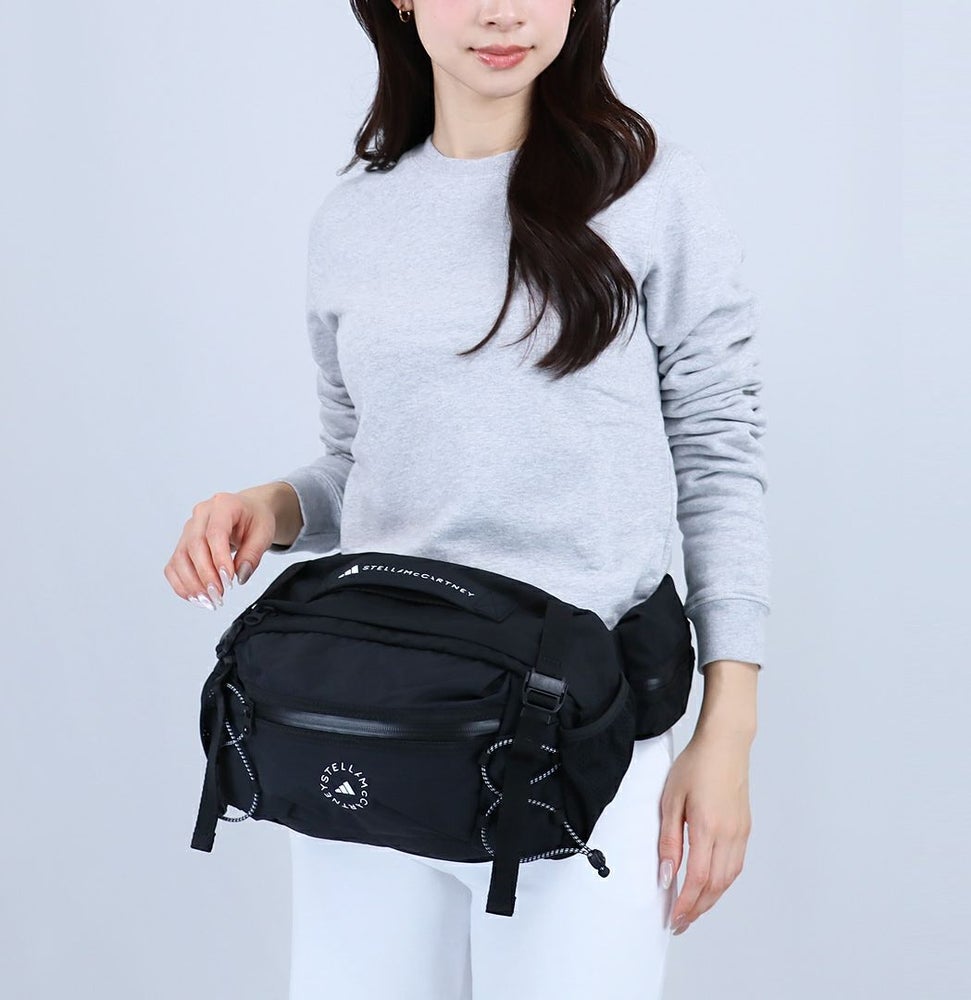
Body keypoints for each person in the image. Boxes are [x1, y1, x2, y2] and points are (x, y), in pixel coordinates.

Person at [165, 1, 769, 996]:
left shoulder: (653, 193)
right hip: (384, 727)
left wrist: (727, 730)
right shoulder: (354, 217)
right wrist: (270, 508)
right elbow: (363, 460)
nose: (502, 12)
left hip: (584, 745)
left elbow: (717, 457)